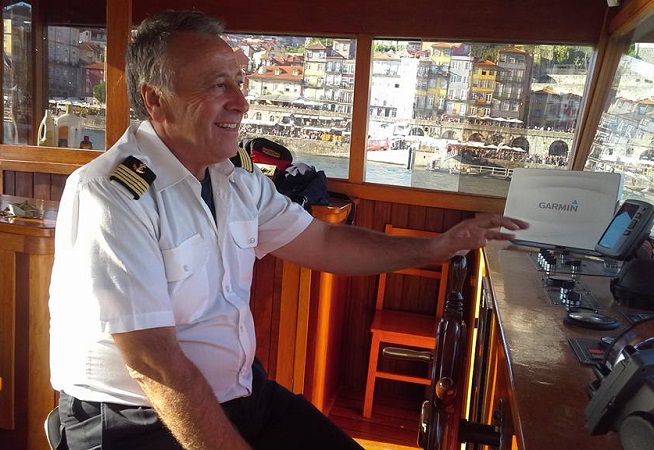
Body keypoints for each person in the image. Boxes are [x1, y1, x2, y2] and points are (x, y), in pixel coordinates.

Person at [48, 10, 529, 450]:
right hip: (138, 421)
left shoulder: (235, 178)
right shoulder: (111, 195)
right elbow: (155, 364)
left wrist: (437, 246)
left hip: (241, 394)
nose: (242, 102)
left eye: (239, 82)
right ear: (156, 100)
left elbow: (324, 240)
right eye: (218, 86)